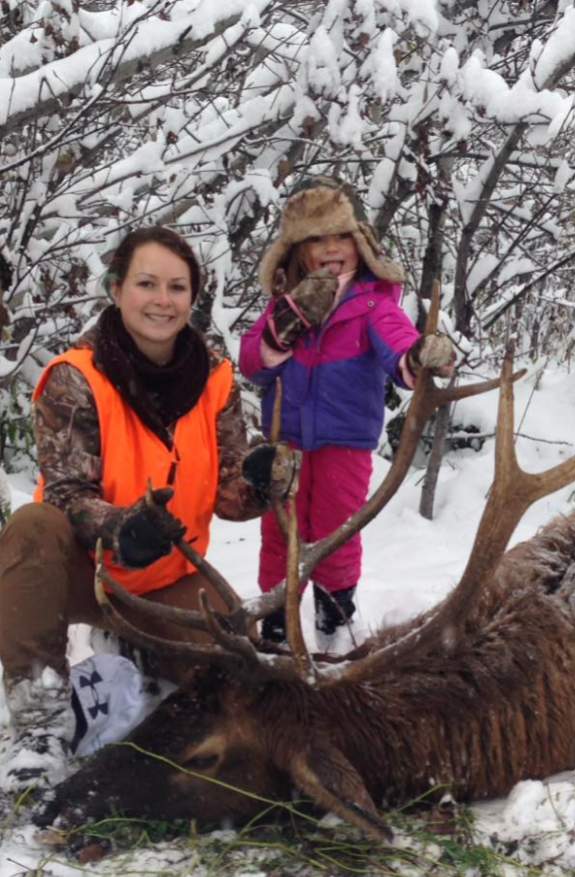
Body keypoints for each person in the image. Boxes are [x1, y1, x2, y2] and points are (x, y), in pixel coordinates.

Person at [0, 226, 296, 794]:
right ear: (116, 290)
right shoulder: (76, 377)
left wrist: (259, 482)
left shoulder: (213, 377)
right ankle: (38, 726)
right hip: (84, 572)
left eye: (177, 287)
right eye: (147, 283)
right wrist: (122, 528)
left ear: (192, 296)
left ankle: (135, 651)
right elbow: (65, 492)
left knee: (238, 677)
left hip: (167, 578)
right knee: (31, 528)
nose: (163, 300)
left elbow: (229, 490)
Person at [239, 177, 454, 645]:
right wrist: (289, 320)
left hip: (344, 445)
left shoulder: (372, 304)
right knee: (279, 534)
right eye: (317, 238)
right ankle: (276, 623)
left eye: (341, 237)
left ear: (360, 243)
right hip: (287, 443)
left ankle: (334, 622)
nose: (332, 248)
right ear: (298, 250)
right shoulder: (284, 304)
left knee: (334, 533)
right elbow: (253, 361)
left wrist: (417, 357)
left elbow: (398, 344)